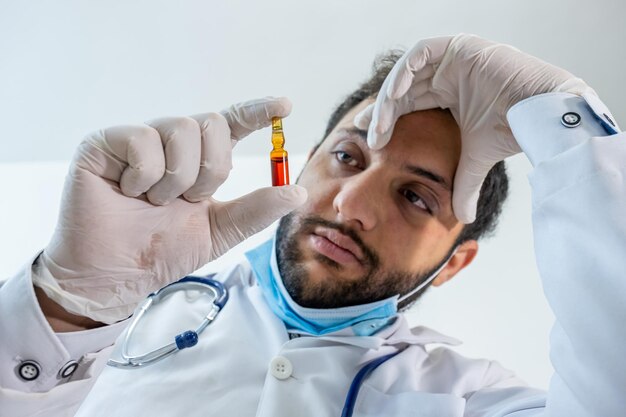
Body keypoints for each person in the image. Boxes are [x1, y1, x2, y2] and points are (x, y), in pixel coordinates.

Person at [1, 34, 624, 417]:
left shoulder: (469, 396)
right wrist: (69, 304)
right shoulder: (123, 320)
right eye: (347, 158)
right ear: (302, 161)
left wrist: (569, 127)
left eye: (415, 197)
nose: (351, 205)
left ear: (455, 260)